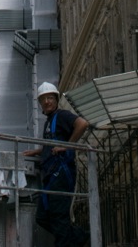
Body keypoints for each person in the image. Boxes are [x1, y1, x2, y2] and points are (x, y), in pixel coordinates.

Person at [27, 82, 90, 247]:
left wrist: (68, 146)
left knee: (58, 215)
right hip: (50, 174)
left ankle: (69, 241)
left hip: (61, 173)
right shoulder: (49, 122)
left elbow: (82, 124)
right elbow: (53, 144)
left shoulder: (62, 115)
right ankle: (78, 237)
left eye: (50, 98)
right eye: (43, 99)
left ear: (56, 99)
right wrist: (38, 151)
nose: (46, 101)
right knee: (42, 217)